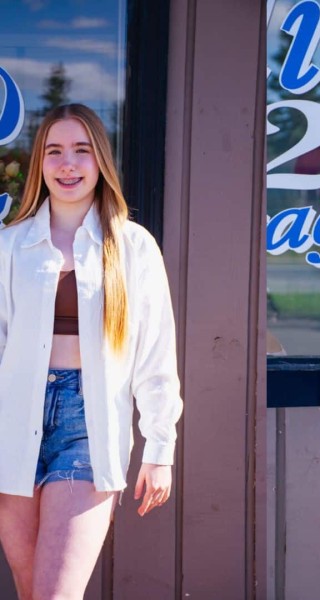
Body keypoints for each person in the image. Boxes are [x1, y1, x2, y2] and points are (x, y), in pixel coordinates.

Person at [0, 104, 182, 598]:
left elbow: (155, 356)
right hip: (12, 423)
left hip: (89, 424)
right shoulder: (9, 247)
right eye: (54, 152)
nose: (68, 164)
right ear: (39, 163)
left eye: (82, 151)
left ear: (100, 161)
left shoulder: (133, 247)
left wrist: (159, 448)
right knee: (31, 591)